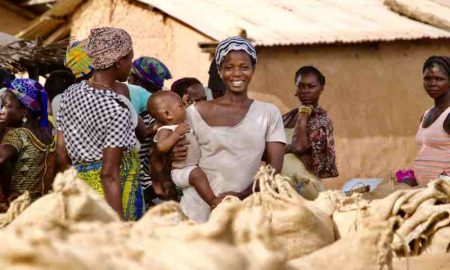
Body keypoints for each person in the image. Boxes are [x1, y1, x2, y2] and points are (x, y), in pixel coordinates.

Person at [172, 36, 286, 222]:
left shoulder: (268, 113)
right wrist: (213, 200)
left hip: (246, 211)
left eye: (244, 67)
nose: (237, 73)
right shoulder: (194, 113)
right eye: (229, 67)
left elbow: (273, 172)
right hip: (198, 212)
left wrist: (239, 197)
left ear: (253, 70)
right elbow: (184, 166)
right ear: (219, 70)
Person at [56, 27, 144, 220]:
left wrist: (76, 190)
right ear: (119, 62)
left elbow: (61, 153)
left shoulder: (70, 94)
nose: (131, 65)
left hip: (82, 191)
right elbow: (109, 174)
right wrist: (118, 221)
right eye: (130, 59)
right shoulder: (116, 109)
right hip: (117, 194)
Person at [149, 91, 224, 209]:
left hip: (191, 167)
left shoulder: (180, 123)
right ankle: (212, 200)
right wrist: (176, 135)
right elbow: (161, 146)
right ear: (168, 114)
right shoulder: (166, 129)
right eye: (181, 106)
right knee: (197, 175)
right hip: (181, 171)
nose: (185, 109)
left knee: (200, 173)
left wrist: (182, 102)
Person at [128, 56, 176, 205]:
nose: (128, 81)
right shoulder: (164, 107)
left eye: (131, 77)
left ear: (138, 81)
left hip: (148, 186)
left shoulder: (152, 111)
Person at [0, 78, 55, 202]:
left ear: (24, 111)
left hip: (21, 207)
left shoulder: (19, 134)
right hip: (45, 204)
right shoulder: (47, 129)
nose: (2, 111)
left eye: (7, 106)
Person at [283, 66, 338, 181]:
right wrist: (293, 150)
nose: (305, 91)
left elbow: (298, 147)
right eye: (300, 86)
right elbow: (266, 149)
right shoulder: (287, 118)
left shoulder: (322, 122)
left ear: (321, 88)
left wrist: (303, 115)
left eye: (311, 86)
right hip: (280, 184)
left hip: (308, 187)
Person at [414, 56, 450, 186]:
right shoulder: (426, 114)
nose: (432, 84)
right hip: (426, 191)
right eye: (427, 78)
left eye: (439, 79)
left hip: (445, 193)